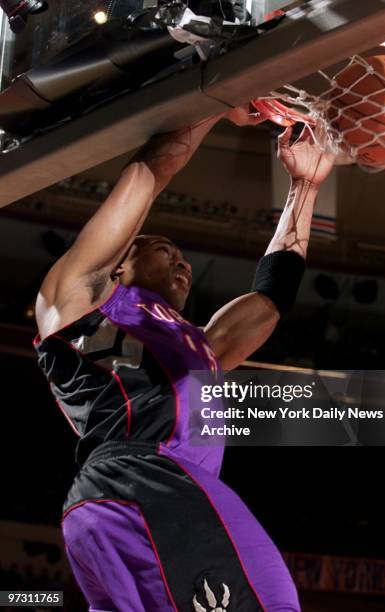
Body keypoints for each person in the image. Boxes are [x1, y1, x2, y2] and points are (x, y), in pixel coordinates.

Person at [34, 106, 334, 611]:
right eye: (165, 249)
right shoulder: (78, 301)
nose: (183, 261)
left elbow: (270, 300)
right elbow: (149, 173)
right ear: (121, 260)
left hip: (133, 504)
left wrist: (305, 186)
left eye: (182, 257)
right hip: (143, 482)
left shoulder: (198, 345)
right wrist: (217, 96)